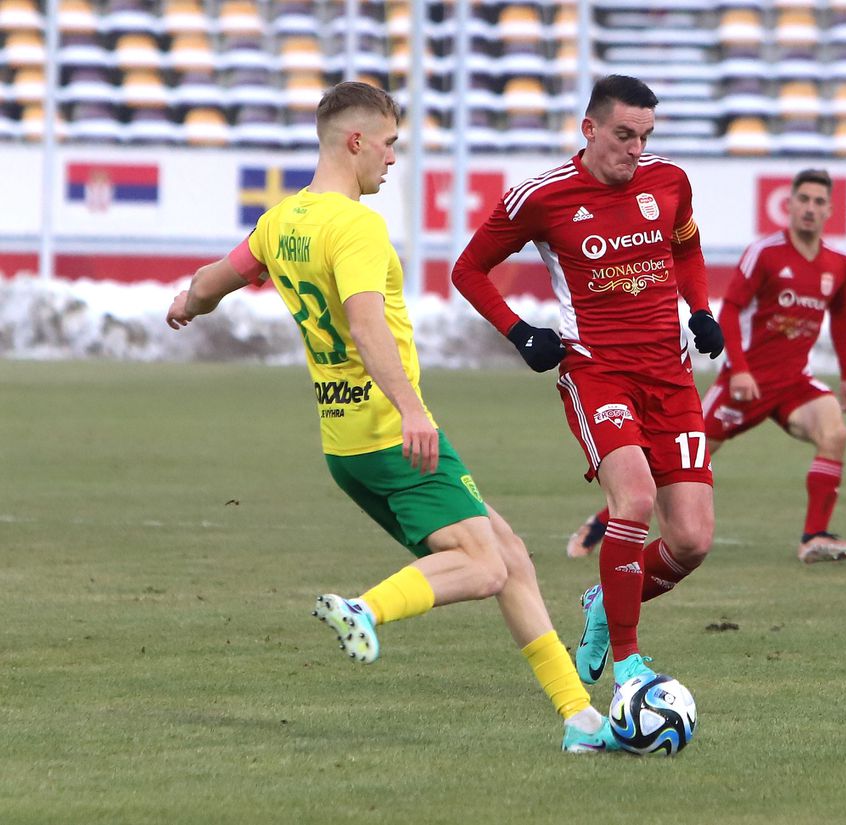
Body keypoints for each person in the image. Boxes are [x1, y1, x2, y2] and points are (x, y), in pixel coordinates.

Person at [165, 81, 617, 754]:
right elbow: (367, 325)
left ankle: (580, 718)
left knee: (511, 555)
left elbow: (212, 282)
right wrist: (412, 410)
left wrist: (187, 302)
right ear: (356, 141)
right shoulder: (356, 227)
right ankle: (363, 608)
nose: (393, 158)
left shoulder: (282, 221)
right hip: (389, 431)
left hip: (343, 439)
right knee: (487, 567)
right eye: (389, 143)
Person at [451, 75, 725, 691]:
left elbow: (687, 249)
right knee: (633, 501)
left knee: (692, 541)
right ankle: (628, 662)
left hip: (672, 377)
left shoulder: (670, 182)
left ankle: (604, 601)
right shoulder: (541, 197)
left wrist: (701, 308)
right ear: (590, 129)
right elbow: (469, 269)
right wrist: (521, 332)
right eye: (624, 135)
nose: (635, 149)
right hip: (597, 371)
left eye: (645, 137)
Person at [567, 168, 846, 564]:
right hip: (746, 382)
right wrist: (738, 368)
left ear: (830, 210)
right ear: (789, 205)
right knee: (677, 461)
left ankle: (814, 537)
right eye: (803, 200)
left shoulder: (839, 264)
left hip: (794, 383)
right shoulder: (766, 254)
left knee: (835, 433)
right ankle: (603, 522)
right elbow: (733, 307)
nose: (810, 208)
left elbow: (841, 317)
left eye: (819, 202)